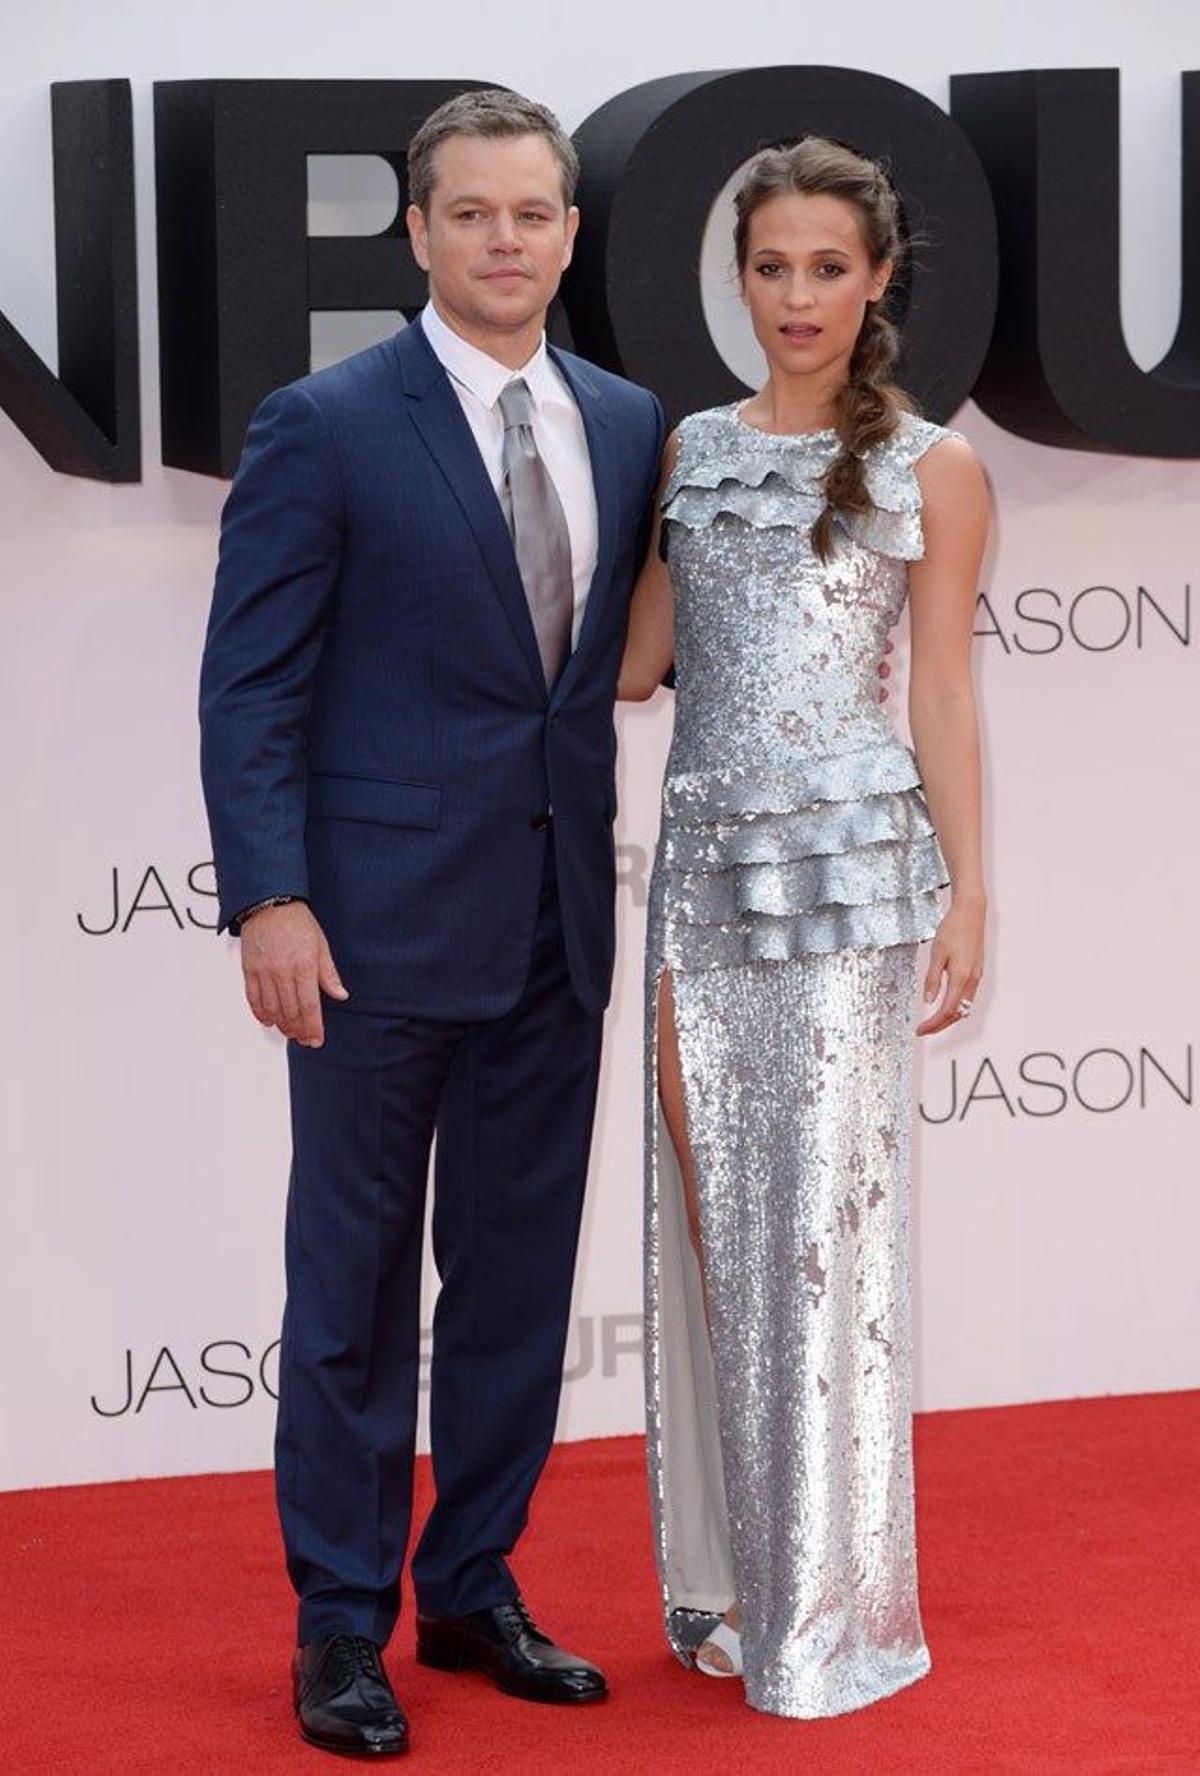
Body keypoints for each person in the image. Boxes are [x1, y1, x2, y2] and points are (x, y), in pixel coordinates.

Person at [199, 90, 665, 1758]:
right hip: (370, 939)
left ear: (568, 230)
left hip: (554, 931)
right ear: (416, 232)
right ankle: (340, 1627)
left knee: (517, 1286)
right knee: (350, 1292)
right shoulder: (321, 422)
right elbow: (250, 680)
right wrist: (268, 892)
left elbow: (599, 669)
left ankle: (473, 1583)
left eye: (533, 214)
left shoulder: (625, 420)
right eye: (470, 214)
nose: (505, 242)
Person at [618, 136, 988, 1717]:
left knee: (821, 1247)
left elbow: (948, 693)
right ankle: (729, 1578)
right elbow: (633, 663)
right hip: (701, 882)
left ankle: (826, 1613)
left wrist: (976, 892)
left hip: (848, 897)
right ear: (739, 276)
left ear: (878, 278)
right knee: (707, 1229)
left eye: (828, 267)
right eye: (771, 266)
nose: (797, 296)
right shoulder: (689, 447)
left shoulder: (934, 465)